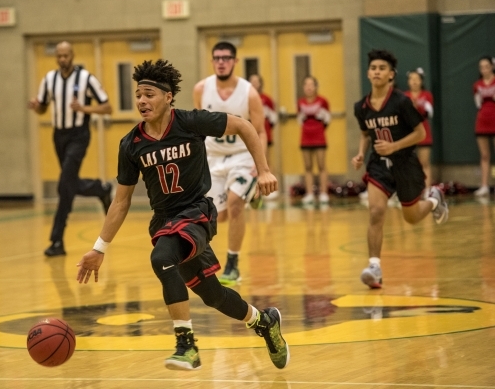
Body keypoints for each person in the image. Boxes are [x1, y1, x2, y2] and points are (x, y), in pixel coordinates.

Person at [76, 59, 289, 371]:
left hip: (197, 213)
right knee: (212, 295)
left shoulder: (190, 122)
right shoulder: (131, 144)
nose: (141, 101)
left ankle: (186, 344)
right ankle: (263, 321)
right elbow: (120, 203)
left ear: (168, 97)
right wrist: (99, 248)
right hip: (164, 220)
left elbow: (244, 126)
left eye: (149, 94)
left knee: (161, 257)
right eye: (138, 95)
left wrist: (264, 169)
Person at [352, 49, 449, 289]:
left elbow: (420, 133)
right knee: (375, 212)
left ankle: (435, 199)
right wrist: (361, 153)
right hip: (378, 166)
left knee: (412, 217)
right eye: (373, 67)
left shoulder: (401, 102)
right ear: (368, 73)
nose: (377, 71)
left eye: (382, 68)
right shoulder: (361, 107)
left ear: (391, 75)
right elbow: (365, 133)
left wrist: (394, 146)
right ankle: (374, 268)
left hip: (405, 164)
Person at [28, 41, 113, 257]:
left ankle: (57, 240)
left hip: (79, 134)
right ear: (56, 57)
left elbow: (107, 106)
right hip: (59, 136)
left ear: (72, 56)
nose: (63, 59)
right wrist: (37, 107)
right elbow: (43, 108)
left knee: (64, 184)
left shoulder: (86, 78)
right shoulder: (49, 79)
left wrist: (83, 108)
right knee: (69, 182)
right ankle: (99, 189)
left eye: (66, 55)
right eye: (59, 56)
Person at [193, 42, 267, 285]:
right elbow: (196, 128)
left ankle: (233, 264)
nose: (221, 61)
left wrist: (262, 166)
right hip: (213, 157)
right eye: (217, 58)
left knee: (235, 206)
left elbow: (260, 131)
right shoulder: (202, 89)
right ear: (212, 61)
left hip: (242, 156)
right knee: (219, 216)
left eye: (226, 57)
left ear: (235, 61)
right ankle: (251, 194)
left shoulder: (249, 94)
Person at [297, 76, 331, 205]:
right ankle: (309, 193)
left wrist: (318, 129)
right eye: (306, 84)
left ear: (316, 87)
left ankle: (323, 193)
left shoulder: (323, 101)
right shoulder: (300, 102)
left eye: (311, 84)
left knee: (322, 166)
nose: (309, 87)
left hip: (319, 137)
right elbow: (300, 120)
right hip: (305, 138)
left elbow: (327, 119)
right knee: (307, 167)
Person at [404, 68, 434, 194]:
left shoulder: (427, 95)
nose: (414, 82)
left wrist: (418, 107)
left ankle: (427, 190)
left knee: (424, 163)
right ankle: (407, 190)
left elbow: (429, 113)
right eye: (412, 79)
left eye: (417, 79)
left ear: (421, 81)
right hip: (408, 133)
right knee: (406, 163)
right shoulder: (404, 96)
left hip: (423, 132)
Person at [473, 56, 495, 197]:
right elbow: (478, 103)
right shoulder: (477, 85)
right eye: (481, 67)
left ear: (492, 66)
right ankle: (484, 186)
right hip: (482, 121)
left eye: (486, 66)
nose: (484, 69)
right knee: (485, 155)